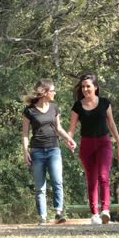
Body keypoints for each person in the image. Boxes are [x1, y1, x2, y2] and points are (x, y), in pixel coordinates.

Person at [67, 72, 119, 225]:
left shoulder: (105, 103)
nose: (85, 89)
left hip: (103, 143)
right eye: (83, 87)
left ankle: (105, 210)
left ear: (95, 88)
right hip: (86, 145)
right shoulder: (77, 106)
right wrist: (69, 139)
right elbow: (71, 128)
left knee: (104, 177)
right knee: (91, 180)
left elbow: (111, 124)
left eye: (88, 86)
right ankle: (94, 214)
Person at [22, 78, 77, 225]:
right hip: (37, 151)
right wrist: (25, 151)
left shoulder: (55, 108)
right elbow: (25, 134)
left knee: (57, 181)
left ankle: (58, 213)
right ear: (45, 92)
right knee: (40, 186)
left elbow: (58, 128)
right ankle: (42, 217)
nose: (54, 93)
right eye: (52, 90)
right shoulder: (29, 111)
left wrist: (69, 139)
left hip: (54, 149)